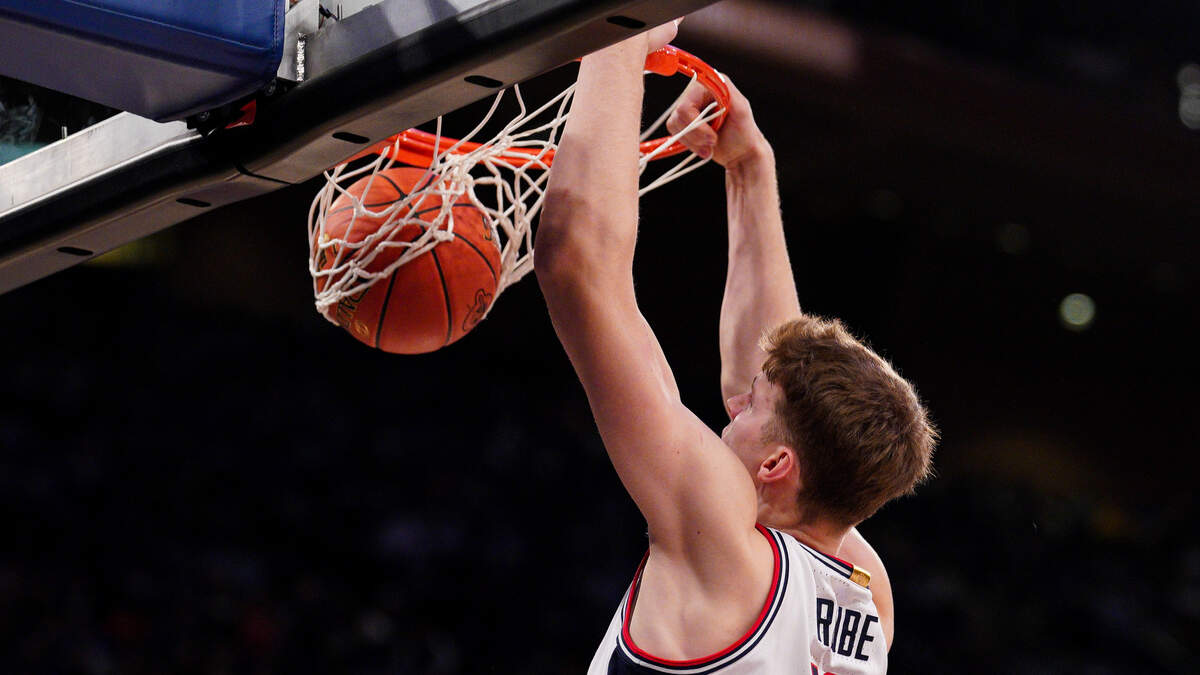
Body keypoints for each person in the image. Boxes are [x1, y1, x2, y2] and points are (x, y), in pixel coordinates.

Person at [536, 20, 936, 675]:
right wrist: (750, 168)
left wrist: (618, 35)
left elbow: (576, 268)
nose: (733, 406)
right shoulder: (867, 598)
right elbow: (773, 380)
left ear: (776, 464)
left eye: (750, 407)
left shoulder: (722, 546)